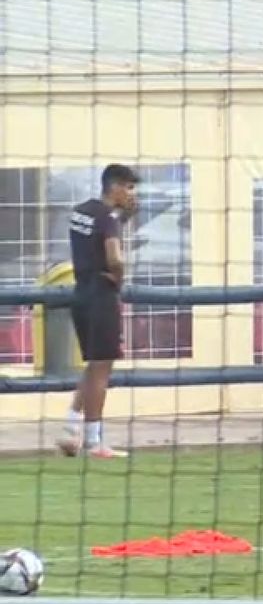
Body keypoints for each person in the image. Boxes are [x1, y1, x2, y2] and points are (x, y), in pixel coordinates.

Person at [57, 164, 140, 458]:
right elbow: (114, 258)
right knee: (102, 369)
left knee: (94, 365)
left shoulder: (81, 211)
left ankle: (70, 428)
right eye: (128, 187)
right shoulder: (107, 218)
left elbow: (92, 239)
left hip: (81, 293)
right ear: (114, 186)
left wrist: (123, 218)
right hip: (102, 296)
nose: (132, 193)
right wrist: (118, 278)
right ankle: (94, 441)